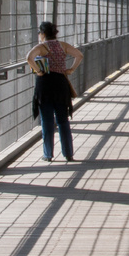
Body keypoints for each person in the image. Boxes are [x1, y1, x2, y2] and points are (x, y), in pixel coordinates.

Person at [27, 21, 83, 161]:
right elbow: (79, 55)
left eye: (40, 33)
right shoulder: (63, 46)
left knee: (47, 121)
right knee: (63, 120)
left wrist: (39, 70)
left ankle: (48, 154)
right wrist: (70, 69)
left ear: (43, 34)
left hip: (45, 86)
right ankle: (68, 153)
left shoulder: (41, 47)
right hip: (60, 85)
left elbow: (29, 58)